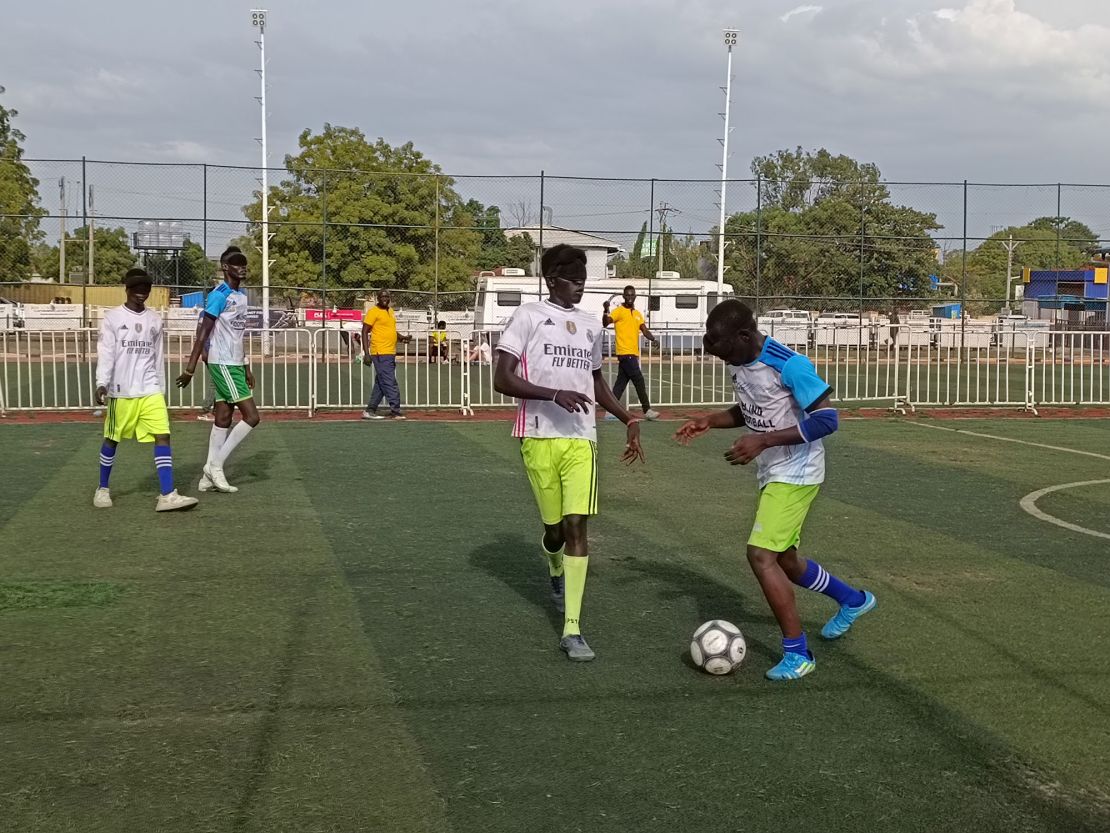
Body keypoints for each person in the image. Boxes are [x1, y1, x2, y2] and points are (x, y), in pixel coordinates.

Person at [674, 299, 875, 681]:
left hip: (798, 472)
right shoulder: (741, 361)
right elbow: (749, 409)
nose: (724, 360)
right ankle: (853, 600)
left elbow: (827, 420)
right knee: (786, 561)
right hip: (776, 471)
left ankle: (798, 654)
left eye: (726, 350)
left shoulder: (789, 365)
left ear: (745, 336)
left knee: (760, 555)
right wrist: (709, 421)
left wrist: (762, 442)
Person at [493, 244, 645, 662]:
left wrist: (627, 416)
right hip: (538, 436)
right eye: (571, 278)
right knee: (555, 530)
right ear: (551, 279)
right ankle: (554, 566)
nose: (579, 285)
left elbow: (595, 380)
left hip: (582, 438)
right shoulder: (527, 317)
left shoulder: (591, 325)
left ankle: (572, 628)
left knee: (577, 524)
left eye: (583, 279)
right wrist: (552, 394)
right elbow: (502, 379)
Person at [93, 268, 198, 512]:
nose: (142, 293)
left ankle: (167, 495)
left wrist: (160, 389)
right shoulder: (113, 318)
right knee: (112, 439)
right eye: (137, 288)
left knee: (163, 434)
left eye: (146, 289)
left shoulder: (154, 320)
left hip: (150, 388)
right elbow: (106, 353)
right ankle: (102, 488)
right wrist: (102, 383)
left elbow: (157, 356)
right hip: (122, 391)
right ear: (127, 289)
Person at [175, 246, 260, 493]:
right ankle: (216, 466)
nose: (242, 267)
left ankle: (206, 476)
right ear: (225, 267)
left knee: (223, 417)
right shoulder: (218, 295)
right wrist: (190, 368)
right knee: (252, 417)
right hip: (222, 362)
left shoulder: (242, 297)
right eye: (236, 263)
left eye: (244, 263)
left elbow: (238, 335)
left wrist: (246, 366)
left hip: (234, 362)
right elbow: (204, 331)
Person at [602, 285, 660, 421]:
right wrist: (605, 310)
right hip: (625, 352)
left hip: (633, 353)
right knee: (639, 380)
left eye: (631, 295)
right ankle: (647, 410)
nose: (629, 297)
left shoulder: (638, 314)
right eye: (627, 295)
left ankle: (610, 412)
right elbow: (606, 323)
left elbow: (644, 330)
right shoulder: (619, 311)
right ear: (623, 296)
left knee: (620, 384)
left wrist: (653, 339)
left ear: (635, 296)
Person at [360, 289, 412, 420]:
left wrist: (403, 338)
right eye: (382, 296)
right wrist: (367, 353)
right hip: (379, 352)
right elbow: (364, 331)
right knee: (389, 381)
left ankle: (370, 410)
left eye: (387, 296)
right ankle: (396, 410)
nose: (385, 298)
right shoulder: (373, 312)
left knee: (381, 382)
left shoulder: (390, 311)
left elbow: (391, 331)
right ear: (378, 298)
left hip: (390, 352)